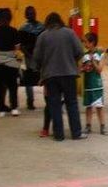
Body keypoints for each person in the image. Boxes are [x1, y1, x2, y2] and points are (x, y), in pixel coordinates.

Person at [33, 12, 85, 141]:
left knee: (54, 104)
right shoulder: (70, 33)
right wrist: (71, 61)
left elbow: (37, 57)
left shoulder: (43, 36)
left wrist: (41, 69)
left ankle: (59, 135)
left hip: (50, 76)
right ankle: (76, 133)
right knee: (71, 103)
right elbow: (80, 51)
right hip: (69, 73)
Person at [0, 8, 21, 117]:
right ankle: (14, 108)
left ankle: (1, 110)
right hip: (10, 62)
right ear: (10, 19)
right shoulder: (14, 30)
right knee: (12, 86)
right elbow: (17, 47)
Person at [18, 6, 45, 111]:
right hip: (36, 56)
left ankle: (31, 102)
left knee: (30, 79)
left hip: (32, 56)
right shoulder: (42, 27)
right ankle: (36, 101)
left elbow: (20, 45)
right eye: (30, 13)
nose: (31, 15)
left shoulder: (23, 28)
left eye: (31, 13)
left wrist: (28, 54)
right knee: (39, 78)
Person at [81, 32, 107, 135]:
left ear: (92, 43)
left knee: (99, 106)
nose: (84, 44)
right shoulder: (84, 55)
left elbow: (99, 70)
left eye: (86, 42)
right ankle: (88, 126)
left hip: (97, 85)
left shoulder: (100, 54)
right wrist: (84, 68)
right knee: (88, 106)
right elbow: (81, 69)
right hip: (87, 85)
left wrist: (93, 62)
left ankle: (102, 126)